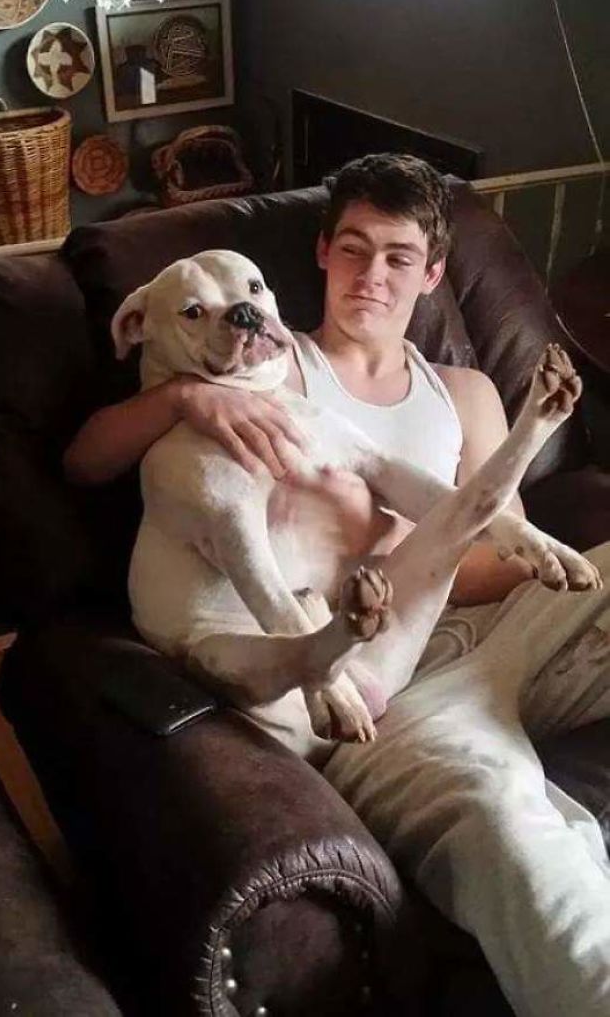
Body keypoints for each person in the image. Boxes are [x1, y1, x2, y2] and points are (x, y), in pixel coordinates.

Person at [64, 154, 610, 1017]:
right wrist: (180, 399)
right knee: (513, 834)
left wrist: (502, 540)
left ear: (434, 274)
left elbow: (494, 548)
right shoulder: (269, 374)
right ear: (317, 255)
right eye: (353, 249)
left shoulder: (466, 391)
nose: (373, 274)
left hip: (498, 620)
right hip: (397, 685)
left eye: (399, 256)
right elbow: (90, 457)